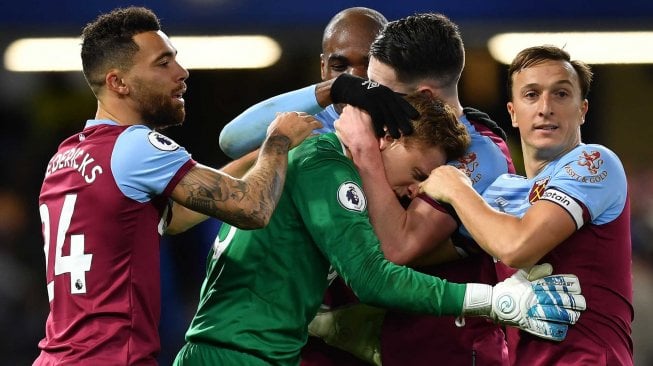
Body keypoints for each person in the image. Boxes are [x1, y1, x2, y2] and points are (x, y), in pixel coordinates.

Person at [174, 92, 585, 366]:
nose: (414, 190)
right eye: (417, 172)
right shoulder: (324, 161)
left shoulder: (316, 158)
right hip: (237, 354)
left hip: (252, 350)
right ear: (387, 137)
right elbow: (372, 277)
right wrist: (494, 302)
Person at [34, 6, 320, 365]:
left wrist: (258, 155)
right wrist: (278, 142)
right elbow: (252, 208)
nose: (182, 73)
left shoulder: (66, 156)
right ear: (117, 82)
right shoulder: (137, 145)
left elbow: (174, 218)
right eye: (162, 63)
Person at [314, 12, 517, 366]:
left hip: (448, 351)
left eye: (380, 92)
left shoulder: (481, 156)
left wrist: (364, 155)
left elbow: (395, 249)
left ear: (424, 96)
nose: (365, 98)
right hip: (369, 347)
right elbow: (233, 138)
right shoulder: (383, 129)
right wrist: (333, 89)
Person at [419, 45, 633, 365]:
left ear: (583, 109)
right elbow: (416, 255)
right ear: (513, 112)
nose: (545, 107)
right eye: (531, 95)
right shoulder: (501, 193)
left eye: (561, 94)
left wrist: (455, 188)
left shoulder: (595, 163)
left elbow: (518, 246)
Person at [219, 7, 388, 159]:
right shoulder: (307, 124)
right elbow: (231, 141)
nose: (354, 78)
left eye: (369, 65)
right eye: (339, 66)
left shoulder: (411, 116)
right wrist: (334, 88)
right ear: (323, 68)